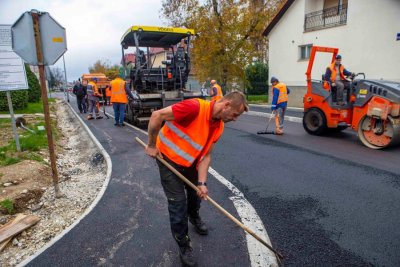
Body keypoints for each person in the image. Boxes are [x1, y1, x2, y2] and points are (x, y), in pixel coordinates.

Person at [145, 91, 248, 266]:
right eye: (235, 114)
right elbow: (157, 115)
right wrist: (151, 145)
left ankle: (194, 216)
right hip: (167, 160)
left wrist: (202, 183)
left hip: (190, 163)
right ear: (226, 105)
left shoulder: (219, 126)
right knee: (178, 205)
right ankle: (184, 246)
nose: (235, 119)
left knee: (195, 195)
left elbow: (206, 156)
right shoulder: (193, 107)